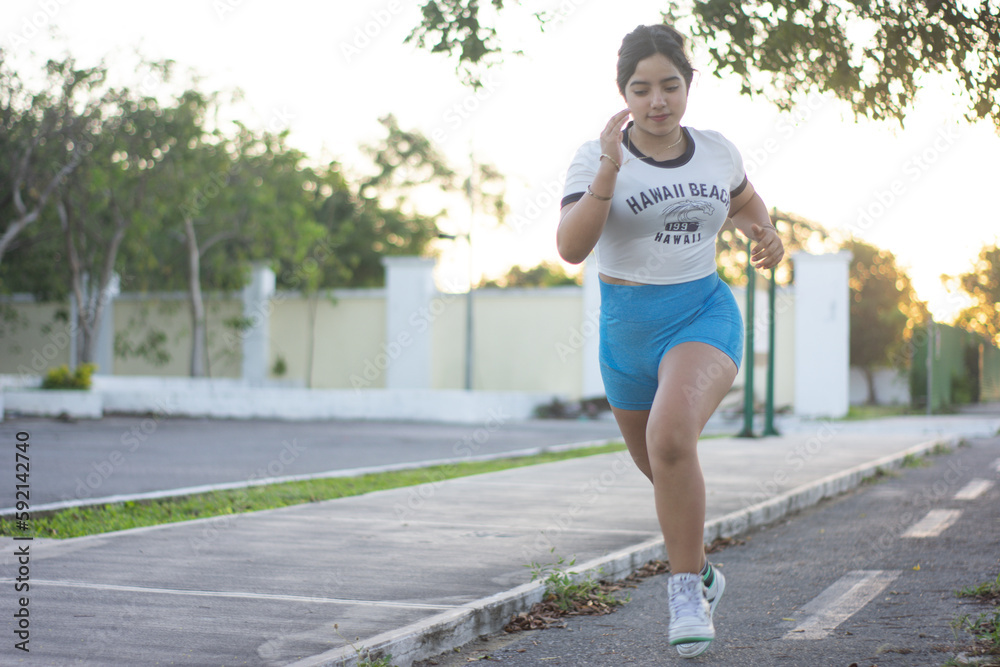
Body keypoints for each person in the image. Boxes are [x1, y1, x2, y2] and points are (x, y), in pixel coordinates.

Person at [557, 23, 784, 658]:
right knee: (661, 465)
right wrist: (608, 166)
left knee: (671, 437)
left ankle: (684, 589)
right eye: (642, 89)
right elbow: (572, 248)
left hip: (702, 315)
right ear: (623, 94)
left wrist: (766, 232)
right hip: (626, 333)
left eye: (670, 86)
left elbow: (745, 204)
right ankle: (706, 571)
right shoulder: (594, 156)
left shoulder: (717, 150)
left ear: (687, 86)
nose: (658, 101)